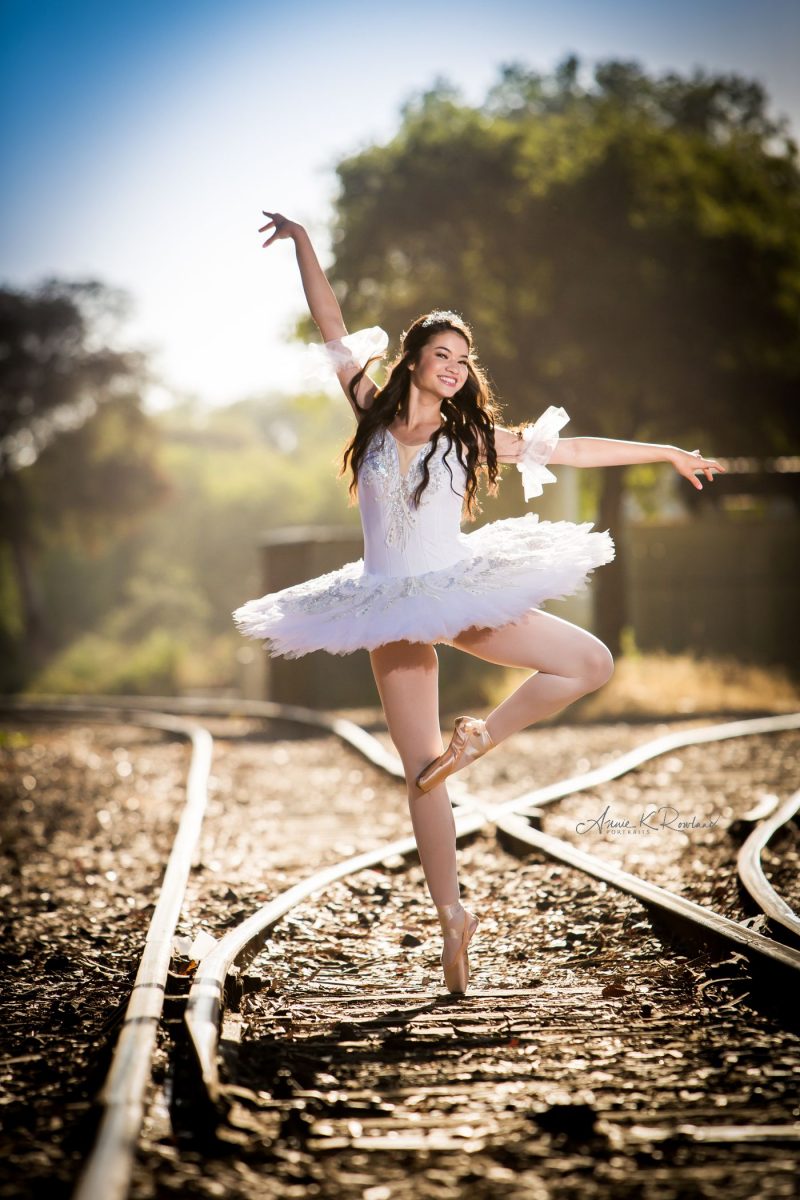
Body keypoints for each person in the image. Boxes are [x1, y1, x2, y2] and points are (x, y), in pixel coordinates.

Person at [233, 210, 725, 995]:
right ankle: (453, 918)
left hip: (462, 592)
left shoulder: (473, 438)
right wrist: (304, 244)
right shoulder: (370, 412)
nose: (455, 366)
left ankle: (481, 741)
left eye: (464, 357)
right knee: (420, 772)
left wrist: (665, 451)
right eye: (441, 354)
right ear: (414, 361)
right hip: (389, 607)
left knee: (589, 661)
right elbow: (331, 324)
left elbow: (574, 449)